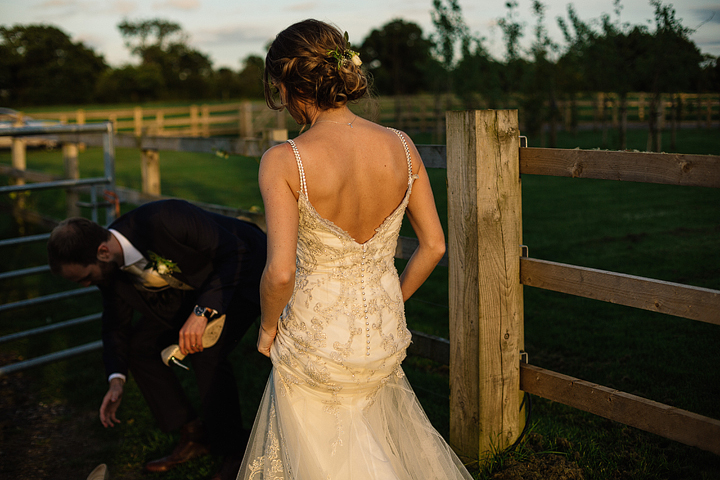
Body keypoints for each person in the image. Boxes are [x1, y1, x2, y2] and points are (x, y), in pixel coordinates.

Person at [238, 19, 473, 479]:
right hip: (384, 334)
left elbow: (281, 272)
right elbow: (434, 245)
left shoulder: (285, 160)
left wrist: (267, 329)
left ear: (288, 83)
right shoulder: (403, 146)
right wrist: (392, 299)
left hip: (316, 344)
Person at [46, 199, 267, 480]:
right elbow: (115, 324)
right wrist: (116, 379)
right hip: (193, 291)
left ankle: (235, 451)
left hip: (245, 271)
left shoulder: (165, 218)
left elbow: (235, 252)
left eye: (85, 278)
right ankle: (193, 433)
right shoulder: (110, 267)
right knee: (139, 347)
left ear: (102, 252)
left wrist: (201, 312)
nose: (86, 285)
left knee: (205, 351)